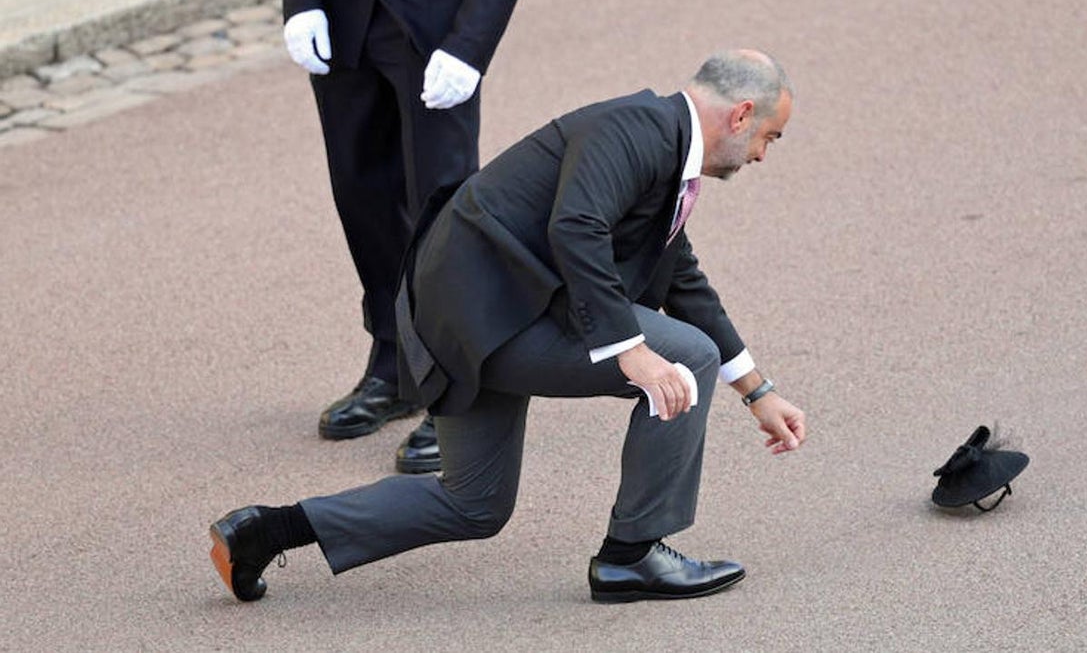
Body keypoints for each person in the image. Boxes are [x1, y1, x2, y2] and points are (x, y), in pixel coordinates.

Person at [210, 50, 808, 604]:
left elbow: (684, 282)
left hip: (474, 317)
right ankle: (633, 555)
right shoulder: (636, 130)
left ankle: (267, 530)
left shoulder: (662, 148)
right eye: (770, 138)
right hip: (487, 317)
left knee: (472, 503)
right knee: (687, 358)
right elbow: (577, 228)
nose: (762, 154)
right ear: (741, 115)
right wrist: (633, 351)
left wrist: (759, 392)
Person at [275, 0, 537, 471]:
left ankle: (453, 388)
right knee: (360, 191)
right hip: (347, 16)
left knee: (443, 214)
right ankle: (393, 363)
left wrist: (471, 43)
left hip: (438, 24)